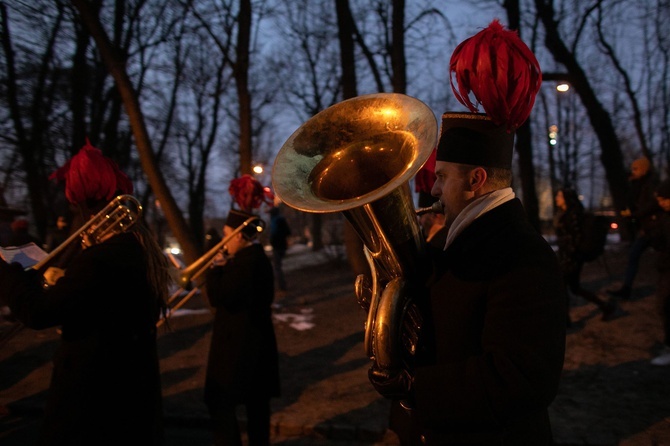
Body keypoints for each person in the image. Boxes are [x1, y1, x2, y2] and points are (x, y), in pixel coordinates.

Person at [373, 21, 567, 445]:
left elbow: (521, 378)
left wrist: (414, 387)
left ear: (476, 179)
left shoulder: (521, 253)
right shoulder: (456, 240)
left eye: (441, 177)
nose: (434, 189)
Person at [0, 140, 171, 445]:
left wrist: (10, 271)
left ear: (89, 215)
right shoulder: (138, 250)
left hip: (94, 401)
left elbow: (38, 313)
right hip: (129, 395)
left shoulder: (98, 260)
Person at [204, 208, 280, 446]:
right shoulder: (252, 259)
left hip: (238, 349)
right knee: (257, 407)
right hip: (253, 346)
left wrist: (215, 269)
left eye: (226, 234)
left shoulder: (247, 262)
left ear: (238, 236)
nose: (223, 241)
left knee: (221, 403)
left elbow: (219, 296)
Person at [554, 188, 621, 322]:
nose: (557, 198)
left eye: (559, 195)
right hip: (567, 256)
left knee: (562, 287)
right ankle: (606, 307)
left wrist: (568, 249)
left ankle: (565, 320)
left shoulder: (573, 215)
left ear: (566, 198)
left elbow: (576, 237)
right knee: (575, 288)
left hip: (571, 258)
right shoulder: (565, 213)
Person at [608, 156, 661, 299]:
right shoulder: (636, 184)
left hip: (655, 227)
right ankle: (627, 288)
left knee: (662, 257)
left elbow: (653, 203)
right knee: (634, 255)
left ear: (644, 169)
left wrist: (636, 214)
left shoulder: (651, 184)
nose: (633, 171)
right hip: (645, 228)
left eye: (636, 168)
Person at [647, 179, 670, 366]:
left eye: (664, 198)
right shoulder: (663, 217)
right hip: (666, 268)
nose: (661, 202)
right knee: (664, 306)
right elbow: (659, 242)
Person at [269, 205, 291, 291]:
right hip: (281, 246)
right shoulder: (280, 220)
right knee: (278, 267)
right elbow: (288, 232)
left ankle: (282, 286)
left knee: (277, 267)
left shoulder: (276, 221)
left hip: (278, 247)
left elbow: (275, 234)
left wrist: (274, 241)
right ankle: (282, 285)